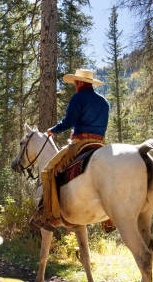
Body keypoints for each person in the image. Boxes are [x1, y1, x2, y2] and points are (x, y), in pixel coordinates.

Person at [31, 68, 110, 231]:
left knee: (48, 172)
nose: (74, 84)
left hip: (80, 143)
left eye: (75, 82)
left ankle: (50, 216)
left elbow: (69, 122)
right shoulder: (104, 102)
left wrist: (53, 129)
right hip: (101, 144)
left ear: (80, 82)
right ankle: (109, 219)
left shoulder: (78, 98)